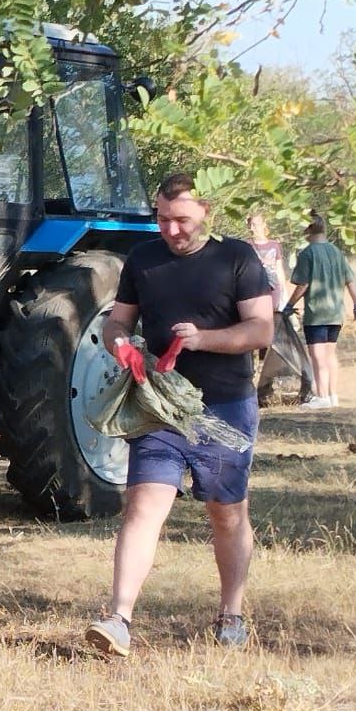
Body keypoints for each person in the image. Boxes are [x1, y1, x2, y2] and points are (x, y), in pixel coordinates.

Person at [85, 172, 273, 657]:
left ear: (206, 210)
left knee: (226, 513)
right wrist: (120, 344)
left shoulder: (238, 258)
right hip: (159, 405)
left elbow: (261, 331)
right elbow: (118, 322)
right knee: (143, 507)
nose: (170, 229)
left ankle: (231, 614)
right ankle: (118, 619)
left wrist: (203, 339)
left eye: (181, 220)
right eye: (163, 219)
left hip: (225, 407)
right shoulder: (143, 259)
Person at [283, 216, 356, 409]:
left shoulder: (307, 254)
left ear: (307, 231)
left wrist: (290, 304)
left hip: (317, 313)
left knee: (318, 355)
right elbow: (350, 281)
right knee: (330, 354)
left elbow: (303, 284)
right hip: (336, 313)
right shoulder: (336, 252)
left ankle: (322, 396)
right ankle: (333, 395)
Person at [247, 212, 287, 312]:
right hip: (254, 288)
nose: (252, 228)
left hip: (273, 286)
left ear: (264, 224)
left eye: (255, 225)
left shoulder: (274, 245)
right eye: (251, 225)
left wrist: (283, 290)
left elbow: (279, 269)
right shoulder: (246, 245)